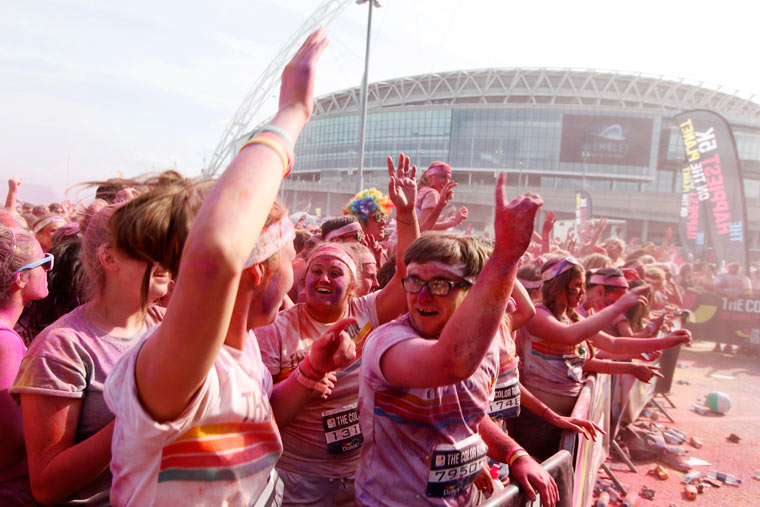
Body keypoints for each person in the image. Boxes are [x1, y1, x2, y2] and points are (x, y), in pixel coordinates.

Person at [102, 29, 361, 506]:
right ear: (257, 271)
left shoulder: (243, 353)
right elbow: (214, 257)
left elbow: (251, 419)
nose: (300, 268)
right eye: (292, 256)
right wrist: (292, 115)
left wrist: (307, 372)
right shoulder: (169, 367)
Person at [355, 176, 559, 506]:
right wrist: (505, 257)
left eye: (440, 284)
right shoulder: (386, 342)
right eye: (415, 281)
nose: (421, 295)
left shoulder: (487, 342)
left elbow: (467, 417)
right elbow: (451, 363)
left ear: (471, 293)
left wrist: (515, 454)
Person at [256, 153, 419, 506]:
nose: (323, 278)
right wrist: (307, 378)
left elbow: (409, 275)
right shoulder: (276, 330)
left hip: (362, 471)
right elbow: (266, 416)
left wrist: (406, 216)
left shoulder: (366, 311)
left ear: (356, 285)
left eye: (335, 272)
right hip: (300, 478)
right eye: (316, 270)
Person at [10, 204, 169, 505]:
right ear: (109, 258)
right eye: (153, 246)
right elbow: (46, 485)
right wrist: (139, 412)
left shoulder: (166, 325)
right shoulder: (62, 347)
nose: (168, 258)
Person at [512, 257, 690, 460]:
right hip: (538, 420)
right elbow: (570, 336)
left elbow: (614, 344)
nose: (582, 292)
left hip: (565, 419)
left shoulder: (572, 318)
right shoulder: (538, 315)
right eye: (576, 285)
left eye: (583, 286)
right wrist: (618, 307)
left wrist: (665, 342)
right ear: (557, 287)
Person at [0, 227, 51, 506]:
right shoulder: (5, 342)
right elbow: (12, 441)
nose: (48, 269)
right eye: (43, 262)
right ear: (19, 278)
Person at [416, 161, 468, 232]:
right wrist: (453, 222)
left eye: (449, 178)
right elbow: (424, 228)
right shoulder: (431, 193)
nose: (447, 182)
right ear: (430, 177)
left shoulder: (420, 191)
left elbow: (424, 224)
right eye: (443, 177)